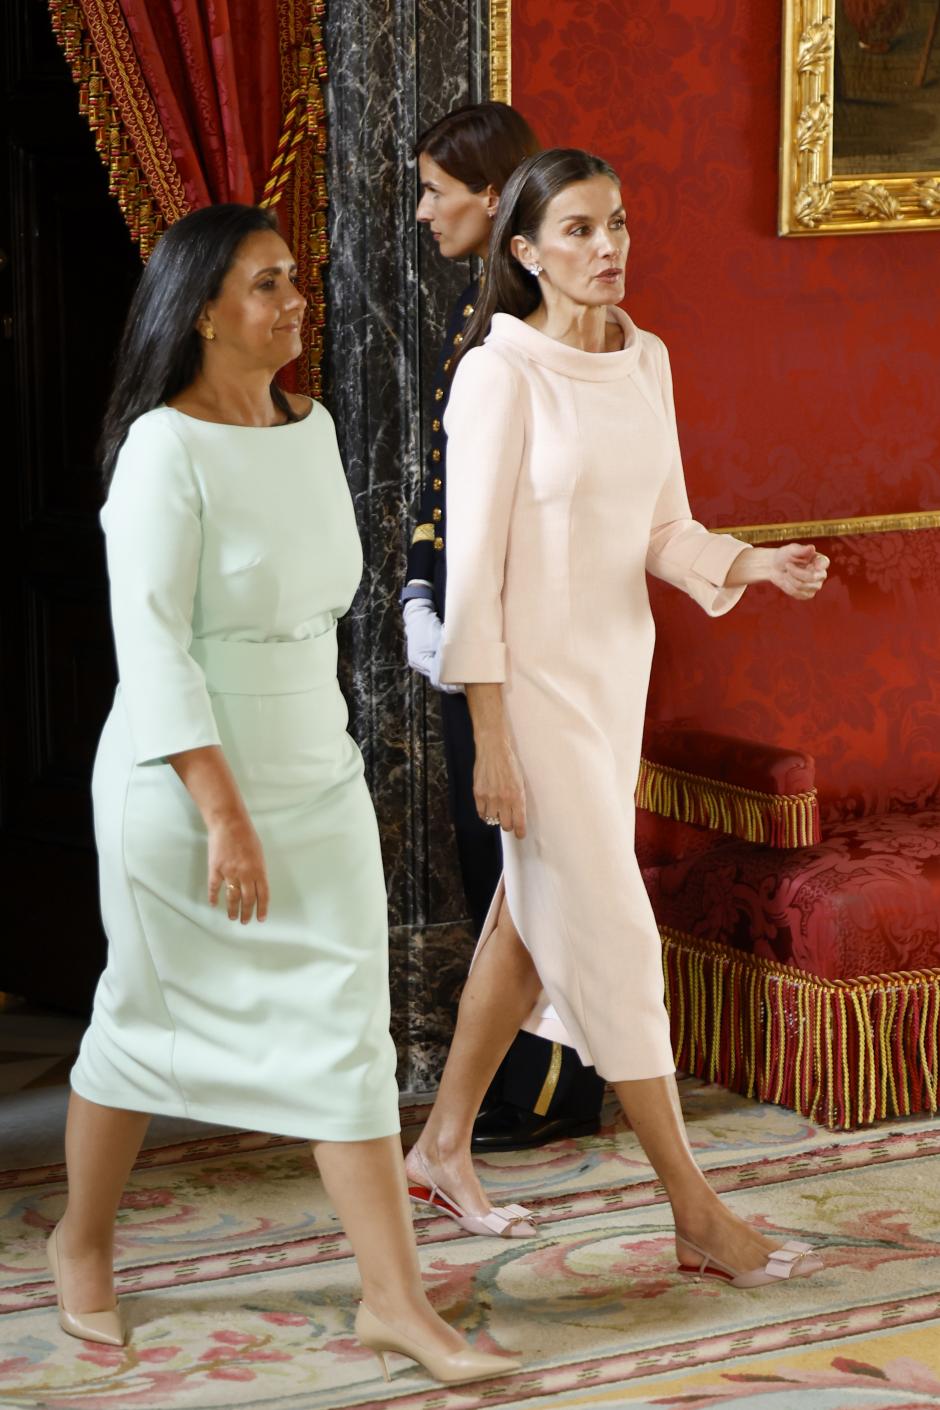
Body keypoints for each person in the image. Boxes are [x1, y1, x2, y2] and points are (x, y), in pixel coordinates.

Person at [46, 203, 517, 1386]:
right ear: (202, 312)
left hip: (317, 773)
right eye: (267, 285)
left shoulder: (308, 425)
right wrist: (222, 815)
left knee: (347, 1038)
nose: (294, 299)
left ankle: (393, 1300)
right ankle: (82, 1241)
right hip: (185, 791)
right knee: (141, 1024)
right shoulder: (160, 450)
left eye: (292, 278)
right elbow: (153, 653)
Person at [404, 150, 829, 1289]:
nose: (609, 247)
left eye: (620, 225)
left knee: (527, 918)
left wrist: (753, 562)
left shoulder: (647, 361)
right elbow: (475, 578)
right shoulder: (498, 375)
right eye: (581, 230)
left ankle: (440, 1146)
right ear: (526, 252)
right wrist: (490, 737)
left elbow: (661, 530)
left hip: (611, 681)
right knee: (611, 931)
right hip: (527, 691)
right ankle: (694, 1209)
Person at [403, 101, 607, 1157]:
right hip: (471, 629)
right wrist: (417, 592)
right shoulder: (474, 321)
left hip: (524, 647)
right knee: (496, 868)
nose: (424, 210)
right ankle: (518, 1083)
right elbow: (448, 492)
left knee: (525, 869)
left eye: (437, 190)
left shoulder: (527, 336)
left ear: (494, 200)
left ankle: (550, 1088)